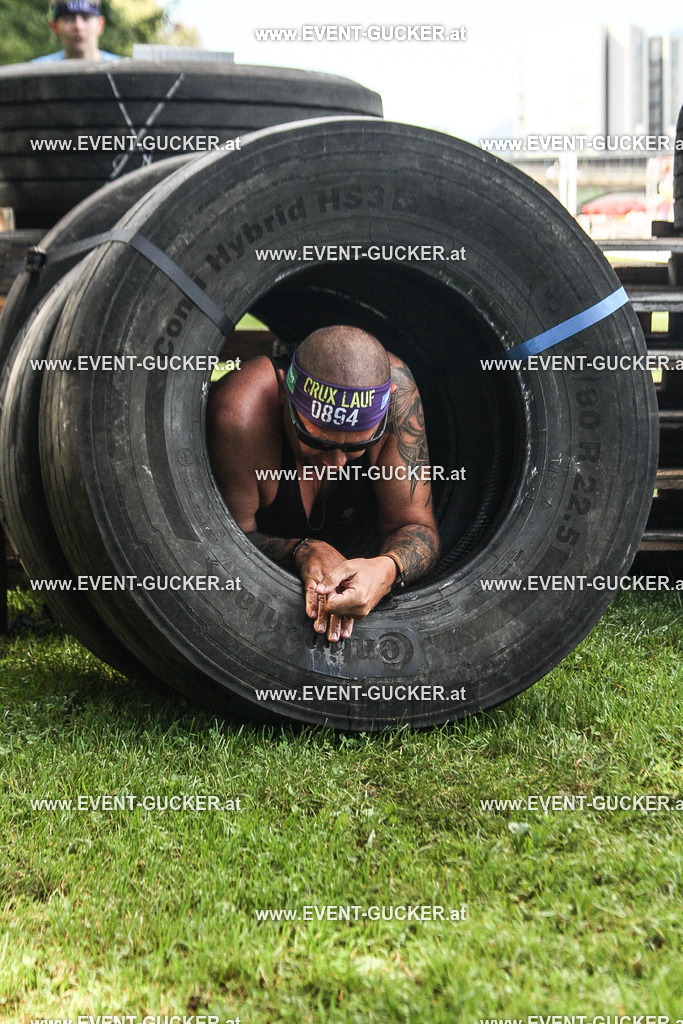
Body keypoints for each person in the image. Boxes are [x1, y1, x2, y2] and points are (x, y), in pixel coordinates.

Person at [207, 325, 440, 643]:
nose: (337, 463)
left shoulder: (399, 400)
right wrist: (302, 551)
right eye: (314, 441)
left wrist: (385, 571)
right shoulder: (241, 413)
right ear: (282, 396)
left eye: (356, 446)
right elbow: (225, 542)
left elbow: (416, 527)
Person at [32, 2, 120, 62]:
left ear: (100, 25)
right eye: (68, 19)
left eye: (86, 18)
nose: (78, 26)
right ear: (54, 27)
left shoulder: (124, 70)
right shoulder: (35, 71)